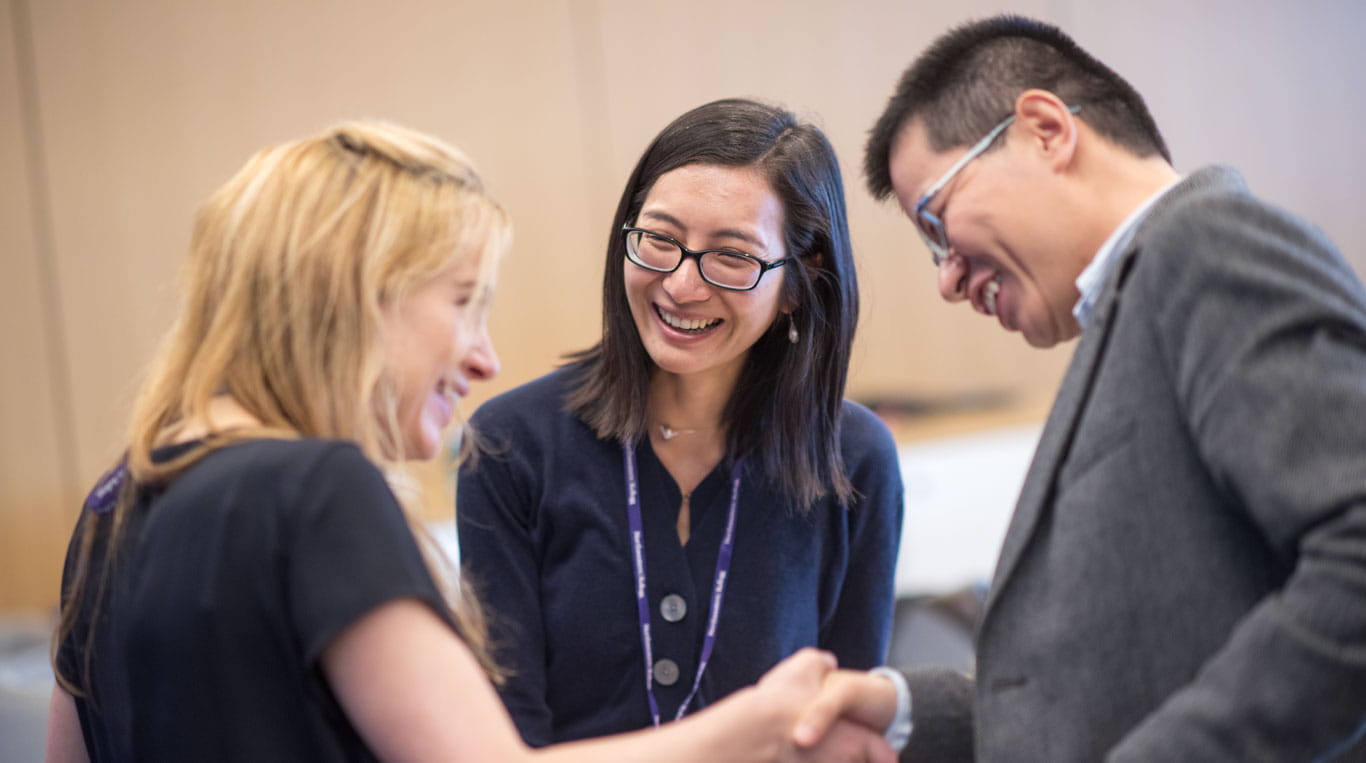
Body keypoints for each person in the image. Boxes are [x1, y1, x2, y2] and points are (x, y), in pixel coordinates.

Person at [43, 121, 895, 762]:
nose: (486, 357)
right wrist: (759, 723)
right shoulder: (319, 491)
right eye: (463, 302)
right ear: (357, 297)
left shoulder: (115, 500)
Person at [791, 13, 1366, 762]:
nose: (947, 279)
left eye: (936, 222)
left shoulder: (1206, 246)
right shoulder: (1136, 306)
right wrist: (903, 712)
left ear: (1045, 130)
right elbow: (1114, 692)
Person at [456, 97, 905, 746]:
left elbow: (839, 734)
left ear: (798, 280)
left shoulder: (855, 459)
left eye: (732, 255)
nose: (681, 286)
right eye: (660, 240)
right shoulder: (510, 445)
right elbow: (500, 741)